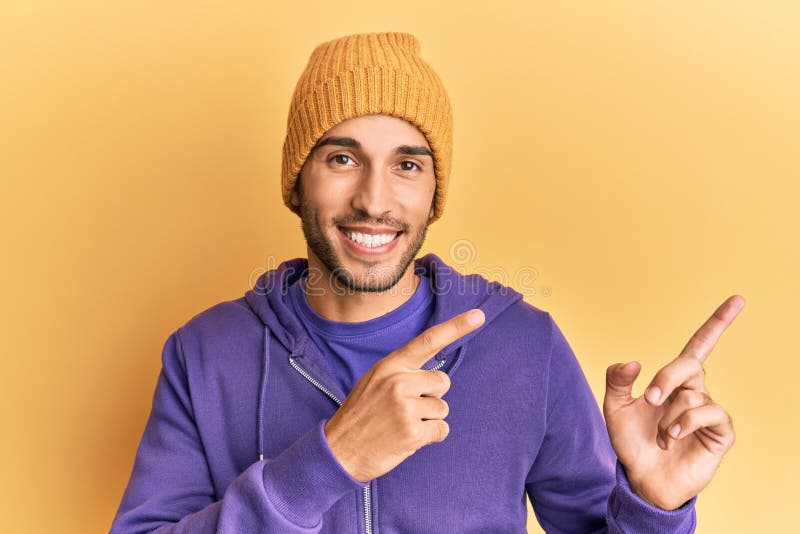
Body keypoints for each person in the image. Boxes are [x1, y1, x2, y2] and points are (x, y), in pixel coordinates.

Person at [110, 32, 743, 533]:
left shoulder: (525, 345)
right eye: (341, 158)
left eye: (407, 164)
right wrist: (326, 463)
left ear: (434, 192)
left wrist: (655, 510)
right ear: (297, 179)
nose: (374, 199)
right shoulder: (203, 353)